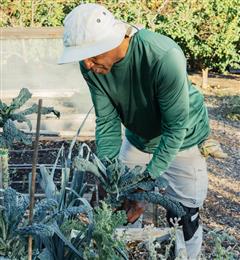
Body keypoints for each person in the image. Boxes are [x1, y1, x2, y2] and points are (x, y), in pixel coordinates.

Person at [59, 3, 210, 259]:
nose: (86, 63)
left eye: (92, 54)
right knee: (122, 204)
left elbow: (175, 128)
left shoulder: (162, 56)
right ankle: (130, 252)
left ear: (113, 40)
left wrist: (148, 179)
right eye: (82, 56)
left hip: (183, 139)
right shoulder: (94, 67)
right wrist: (111, 173)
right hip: (139, 139)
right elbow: (106, 121)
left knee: (183, 215)